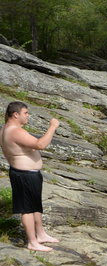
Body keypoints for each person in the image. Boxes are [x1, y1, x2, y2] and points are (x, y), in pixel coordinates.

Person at [0, 102, 60, 252]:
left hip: (28, 174)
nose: (28, 116)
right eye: (26, 113)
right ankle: (32, 242)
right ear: (16, 114)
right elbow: (40, 144)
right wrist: (52, 127)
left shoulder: (6, 129)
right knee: (27, 209)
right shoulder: (15, 131)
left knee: (35, 205)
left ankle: (40, 234)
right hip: (24, 175)